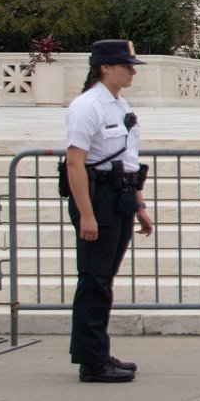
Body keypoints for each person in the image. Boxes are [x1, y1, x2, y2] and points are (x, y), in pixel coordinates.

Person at [65, 38, 154, 383]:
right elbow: (75, 162)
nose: (132, 70)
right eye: (125, 65)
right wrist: (86, 213)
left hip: (120, 195)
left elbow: (128, 160)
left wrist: (139, 204)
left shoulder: (118, 104)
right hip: (97, 196)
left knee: (105, 278)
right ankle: (91, 360)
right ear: (104, 67)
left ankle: (98, 351)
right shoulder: (87, 106)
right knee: (95, 279)